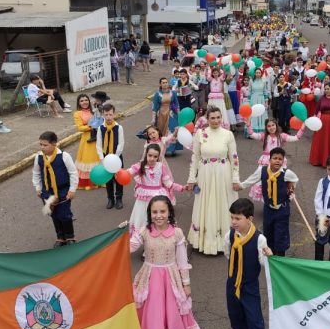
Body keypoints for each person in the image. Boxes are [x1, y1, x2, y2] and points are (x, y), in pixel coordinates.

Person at [124, 196, 202, 329]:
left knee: (170, 312)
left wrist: (186, 284)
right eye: (154, 212)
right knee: (153, 313)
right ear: (149, 213)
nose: (158, 215)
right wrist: (120, 235)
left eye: (162, 211)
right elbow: (129, 247)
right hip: (150, 276)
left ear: (169, 212)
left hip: (171, 278)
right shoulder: (144, 231)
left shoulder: (177, 233)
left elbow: (182, 261)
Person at [224, 198, 273, 329]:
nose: (233, 222)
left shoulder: (259, 239)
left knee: (254, 317)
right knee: (235, 314)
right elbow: (227, 254)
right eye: (232, 218)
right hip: (232, 283)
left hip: (249, 286)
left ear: (250, 219)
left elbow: (263, 262)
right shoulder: (229, 236)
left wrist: (268, 255)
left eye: (238, 218)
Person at [186, 107, 241, 255]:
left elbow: (234, 158)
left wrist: (235, 179)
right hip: (205, 174)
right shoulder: (200, 134)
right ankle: (206, 241)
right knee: (206, 203)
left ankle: (225, 241)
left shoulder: (228, 134)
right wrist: (192, 178)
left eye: (218, 117)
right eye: (213, 118)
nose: (216, 121)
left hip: (224, 174)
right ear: (207, 119)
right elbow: (195, 157)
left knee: (223, 203)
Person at [240, 147, 298, 257]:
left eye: (280, 159)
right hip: (268, 209)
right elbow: (252, 179)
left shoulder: (287, 173)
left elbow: (295, 179)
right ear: (269, 160)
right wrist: (241, 186)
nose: (277, 161)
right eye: (275, 158)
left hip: (282, 209)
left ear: (283, 161)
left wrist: (291, 187)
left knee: (281, 234)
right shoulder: (262, 171)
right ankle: (270, 256)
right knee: (268, 231)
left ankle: (280, 258)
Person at [122, 143, 184, 235]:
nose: (152, 158)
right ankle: (142, 241)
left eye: (155, 156)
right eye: (150, 155)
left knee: (157, 220)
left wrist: (182, 188)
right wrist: (118, 172)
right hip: (144, 198)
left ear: (158, 157)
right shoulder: (139, 165)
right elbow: (127, 173)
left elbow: (168, 183)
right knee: (142, 221)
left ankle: (157, 240)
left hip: (158, 197)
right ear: (146, 154)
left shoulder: (161, 167)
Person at [32, 130, 78, 247]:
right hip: (47, 192)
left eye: (45, 145)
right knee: (54, 214)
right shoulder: (39, 157)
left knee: (65, 214)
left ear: (54, 144)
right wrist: (38, 187)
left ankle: (69, 236)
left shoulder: (64, 156)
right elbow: (36, 173)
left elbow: (73, 173)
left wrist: (72, 189)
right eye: (40, 144)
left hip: (63, 190)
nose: (42, 147)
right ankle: (60, 237)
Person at [245, 117, 303, 203]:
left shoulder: (282, 136)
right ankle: (267, 201)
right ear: (266, 128)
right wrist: (248, 125)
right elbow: (252, 134)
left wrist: (302, 128)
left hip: (278, 161)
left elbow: (296, 137)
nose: (271, 127)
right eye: (269, 126)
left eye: (273, 125)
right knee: (263, 179)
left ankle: (281, 198)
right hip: (266, 161)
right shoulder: (264, 136)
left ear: (276, 125)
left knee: (280, 179)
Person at [96, 103, 125, 210]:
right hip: (105, 157)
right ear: (103, 114)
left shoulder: (119, 128)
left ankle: (119, 198)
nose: (108, 117)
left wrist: (115, 157)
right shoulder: (100, 128)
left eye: (110, 114)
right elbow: (98, 144)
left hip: (117, 157)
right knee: (108, 178)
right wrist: (102, 158)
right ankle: (110, 198)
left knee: (118, 178)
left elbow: (121, 143)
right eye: (106, 114)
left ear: (114, 114)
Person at [72, 94, 100, 190]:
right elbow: (80, 128)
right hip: (87, 138)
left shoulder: (94, 110)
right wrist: (91, 126)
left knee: (99, 157)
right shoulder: (77, 113)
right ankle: (89, 182)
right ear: (79, 103)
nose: (84, 102)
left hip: (98, 136)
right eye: (82, 101)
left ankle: (101, 179)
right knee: (89, 159)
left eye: (86, 100)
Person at [152, 78, 181, 156]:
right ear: (160, 84)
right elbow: (155, 107)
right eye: (163, 83)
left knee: (172, 130)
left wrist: (179, 114)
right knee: (162, 131)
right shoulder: (157, 94)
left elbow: (176, 104)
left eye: (166, 82)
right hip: (161, 114)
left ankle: (172, 149)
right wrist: (153, 118)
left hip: (171, 113)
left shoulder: (173, 93)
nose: (165, 84)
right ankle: (162, 148)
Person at [248, 68, 269, 133]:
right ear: (254, 73)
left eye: (259, 72)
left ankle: (261, 130)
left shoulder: (264, 81)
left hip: (261, 99)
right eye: (256, 72)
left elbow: (265, 91)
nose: (258, 74)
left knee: (262, 113)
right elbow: (249, 91)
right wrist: (248, 102)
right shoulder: (251, 81)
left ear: (261, 73)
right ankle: (252, 130)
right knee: (253, 113)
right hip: (253, 99)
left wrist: (266, 102)